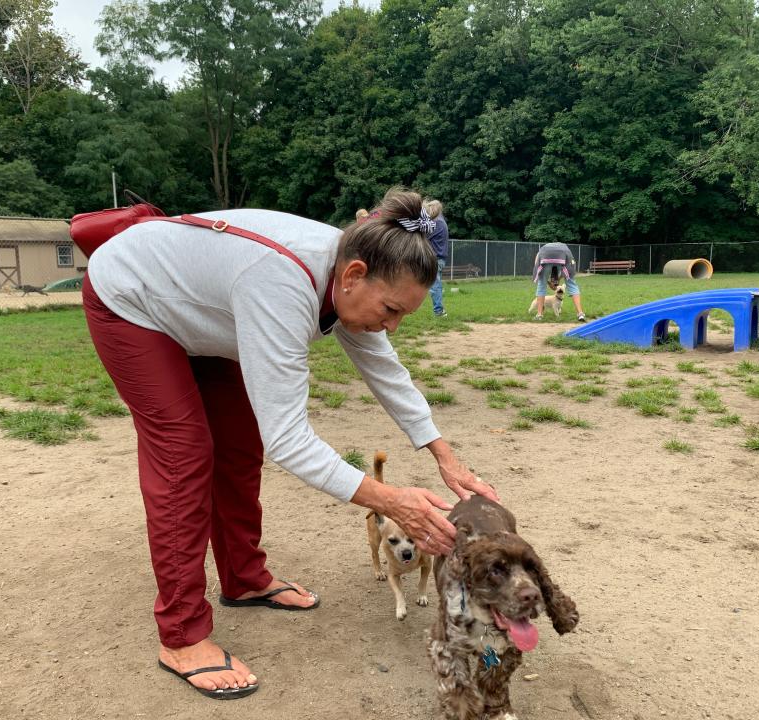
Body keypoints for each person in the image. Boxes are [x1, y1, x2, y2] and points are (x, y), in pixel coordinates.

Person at [82, 188, 498, 700]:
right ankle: (182, 634)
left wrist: (444, 454)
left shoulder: (350, 266)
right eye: (391, 310)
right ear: (352, 276)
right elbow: (290, 439)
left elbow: (384, 368)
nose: (392, 326)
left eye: (403, 316)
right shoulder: (282, 281)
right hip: (131, 298)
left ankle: (243, 577)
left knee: (238, 445)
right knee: (184, 454)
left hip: (199, 311)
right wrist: (392, 502)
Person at [528, 241, 586, 322]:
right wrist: (559, 279)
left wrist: (547, 282)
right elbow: (570, 268)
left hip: (545, 257)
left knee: (541, 285)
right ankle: (580, 314)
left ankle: (539, 315)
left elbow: (537, 264)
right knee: (572, 285)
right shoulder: (565, 248)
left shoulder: (543, 249)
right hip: (563, 257)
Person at [424, 199, 449, 317]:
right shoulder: (440, 221)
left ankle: (439, 311)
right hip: (438, 258)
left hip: (435, 259)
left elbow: (423, 236)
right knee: (433, 284)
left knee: (435, 286)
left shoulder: (437, 223)